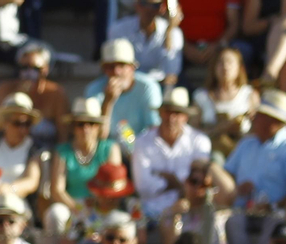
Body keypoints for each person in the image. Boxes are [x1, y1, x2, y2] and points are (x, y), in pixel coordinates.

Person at [223, 89, 286, 244]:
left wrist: (273, 205)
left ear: (275, 122)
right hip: (243, 208)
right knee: (231, 220)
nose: (254, 118)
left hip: (275, 210)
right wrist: (236, 188)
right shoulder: (246, 143)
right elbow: (227, 173)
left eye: (260, 115)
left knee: (276, 220)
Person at [43, 98, 121, 244]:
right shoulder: (63, 151)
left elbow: (115, 183)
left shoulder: (110, 148)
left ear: (98, 127)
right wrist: (78, 209)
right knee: (55, 214)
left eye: (91, 123)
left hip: (103, 204)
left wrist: (97, 203)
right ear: (73, 127)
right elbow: (57, 190)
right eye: (80, 124)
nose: (86, 128)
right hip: (72, 205)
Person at [131, 87, 209, 219]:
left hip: (189, 212)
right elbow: (143, 187)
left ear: (185, 117)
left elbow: (198, 184)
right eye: (168, 112)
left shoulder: (199, 141)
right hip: (151, 213)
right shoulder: (142, 142)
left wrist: (169, 179)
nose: (171, 118)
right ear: (160, 113)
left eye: (177, 113)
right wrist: (178, 183)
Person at [82, 37, 162, 141]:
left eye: (122, 65)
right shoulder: (93, 90)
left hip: (142, 146)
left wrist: (136, 147)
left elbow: (154, 130)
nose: (116, 72)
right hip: (108, 149)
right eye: (110, 66)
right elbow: (97, 138)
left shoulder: (148, 87)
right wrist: (108, 101)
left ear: (132, 68)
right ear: (104, 70)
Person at [195, 46, 256, 154]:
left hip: (242, 151)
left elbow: (257, 130)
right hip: (210, 151)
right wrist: (220, 128)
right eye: (220, 62)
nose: (225, 66)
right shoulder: (201, 96)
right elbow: (192, 131)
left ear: (239, 68)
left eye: (230, 62)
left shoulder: (249, 94)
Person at [107, 0, 181, 83]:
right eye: (144, 3)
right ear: (136, 5)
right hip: (126, 84)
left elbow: (172, 74)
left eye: (155, 6)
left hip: (160, 86)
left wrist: (169, 34)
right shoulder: (119, 29)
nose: (148, 9)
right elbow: (115, 67)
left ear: (162, 8)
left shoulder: (174, 33)